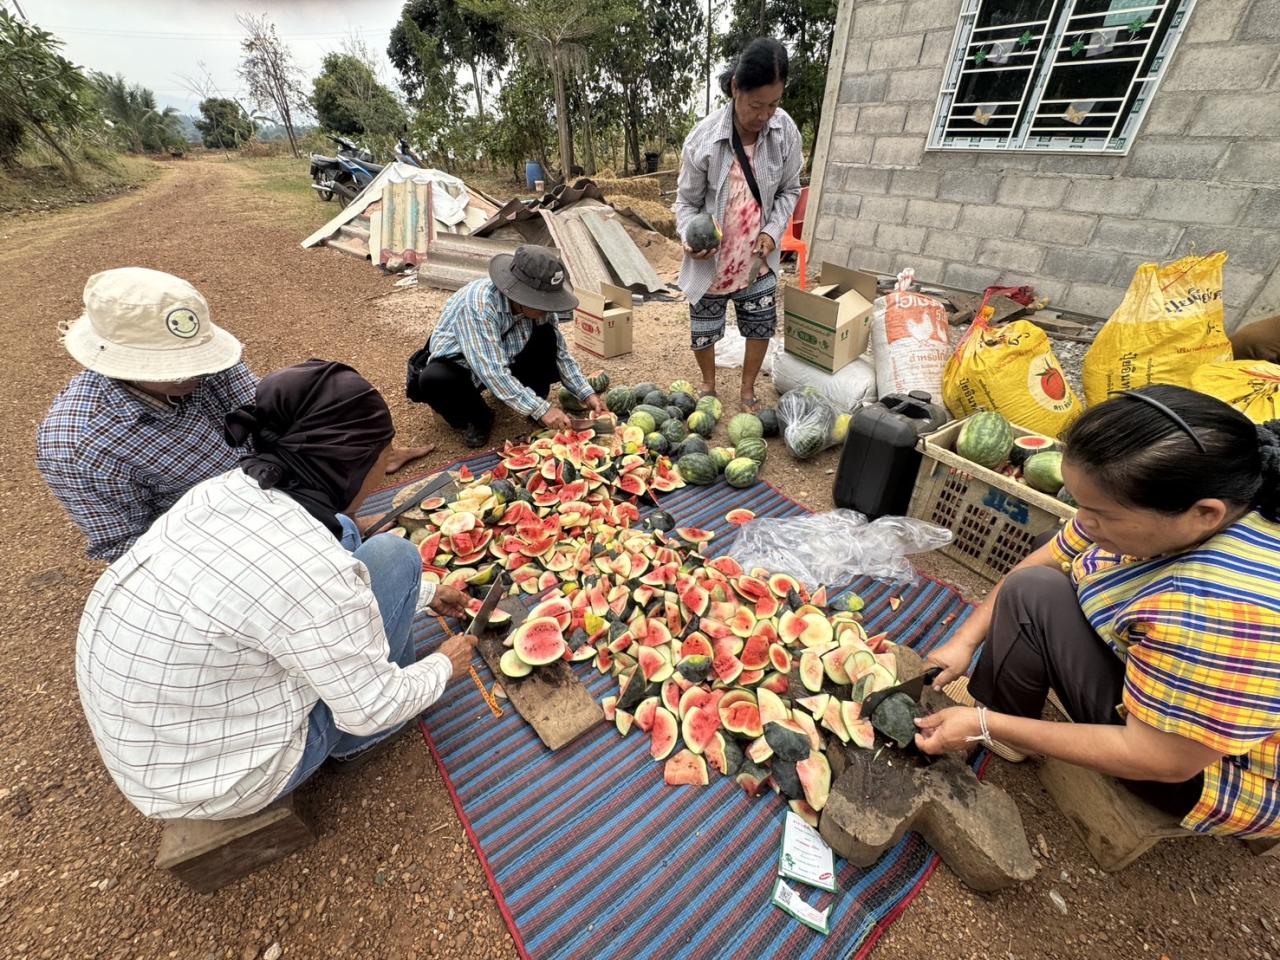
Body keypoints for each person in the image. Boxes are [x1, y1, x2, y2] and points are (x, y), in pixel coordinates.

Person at [75, 360, 474, 820]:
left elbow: (282, 593)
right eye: (381, 460)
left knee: (345, 530)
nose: (383, 474)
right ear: (352, 464)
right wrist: (445, 665)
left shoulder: (221, 490)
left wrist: (421, 596)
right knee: (395, 556)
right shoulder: (315, 574)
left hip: (161, 747)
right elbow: (370, 707)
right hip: (226, 781)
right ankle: (346, 748)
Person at [917, 385, 1280, 840]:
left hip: (1205, 774)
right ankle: (1005, 712)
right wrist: (963, 641)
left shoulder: (1219, 610)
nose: (1082, 522)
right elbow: (1050, 555)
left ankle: (1003, 730)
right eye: (1081, 504)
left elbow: (1163, 761)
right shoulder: (1206, 495)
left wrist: (984, 723)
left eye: (1100, 514)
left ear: (1205, 514)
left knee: (1035, 598)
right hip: (1174, 683)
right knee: (1036, 580)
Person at [38, 268, 434, 561]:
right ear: (117, 362)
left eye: (197, 359)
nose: (195, 375)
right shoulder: (75, 444)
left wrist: (362, 459)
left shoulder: (212, 369)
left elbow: (280, 435)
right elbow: (125, 547)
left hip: (278, 502)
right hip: (214, 550)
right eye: (173, 369)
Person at [674, 37, 802, 413]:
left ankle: (747, 391)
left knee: (760, 323)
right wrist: (688, 236)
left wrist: (771, 232)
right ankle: (709, 387)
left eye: (774, 104)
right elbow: (685, 202)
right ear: (735, 89)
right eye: (756, 104)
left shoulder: (785, 132)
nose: (765, 115)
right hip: (711, 259)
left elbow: (790, 190)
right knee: (703, 330)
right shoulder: (704, 139)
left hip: (756, 257)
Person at [407, 245, 605, 448]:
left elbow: (561, 354)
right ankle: (480, 418)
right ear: (520, 294)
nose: (547, 307)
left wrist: (586, 393)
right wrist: (542, 410)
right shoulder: (479, 306)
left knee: (547, 337)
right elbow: (492, 371)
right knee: (435, 379)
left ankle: (529, 399)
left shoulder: (542, 308)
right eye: (541, 301)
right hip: (463, 366)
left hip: (507, 356)